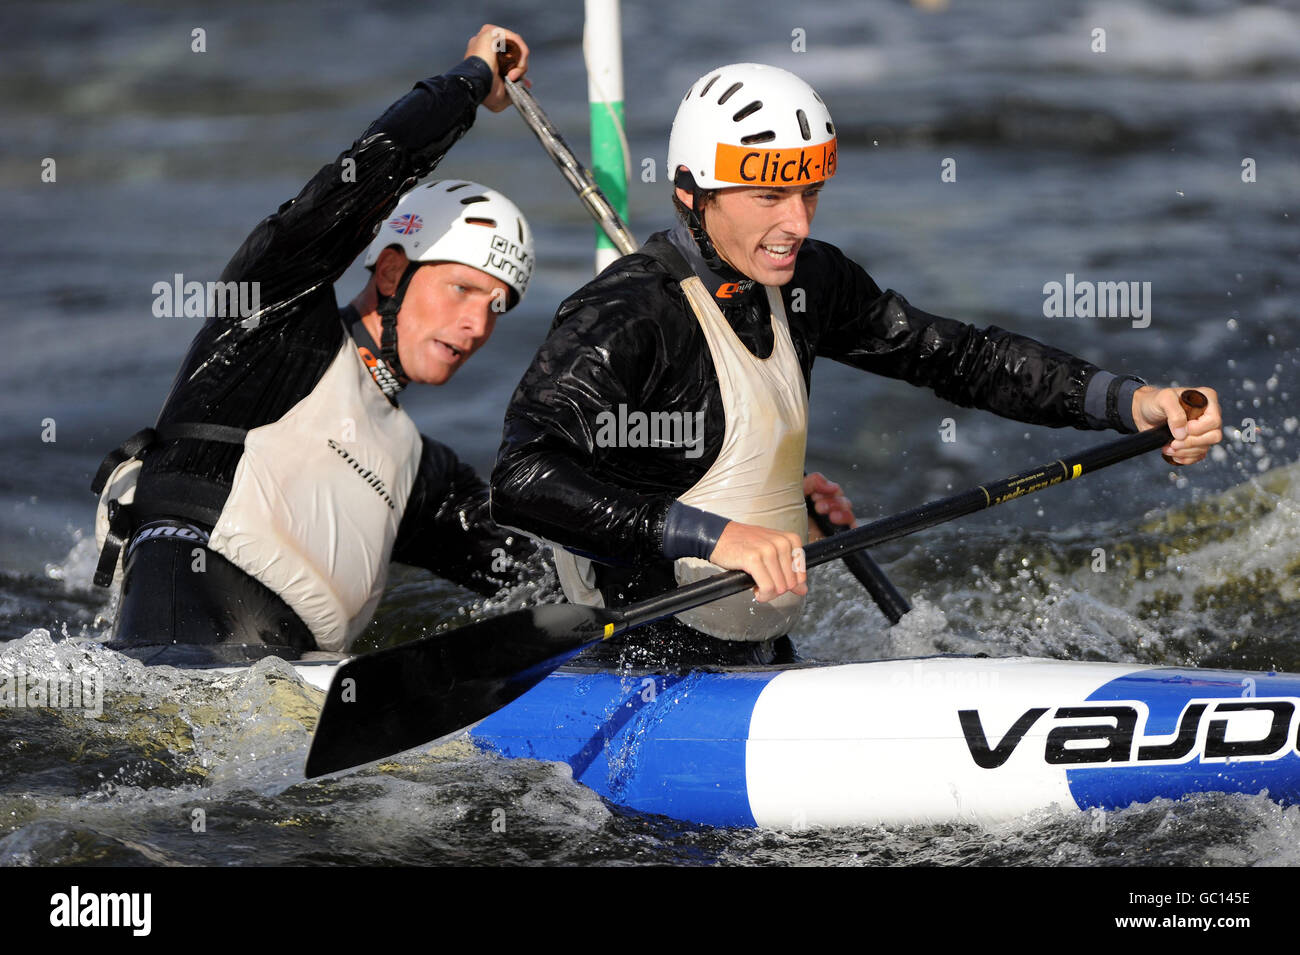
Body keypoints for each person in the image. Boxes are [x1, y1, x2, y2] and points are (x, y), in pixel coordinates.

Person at [490, 62, 1223, 667]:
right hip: (634, 658)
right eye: (770, 195)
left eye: (810, 191)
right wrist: (717, 534)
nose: (798, 224)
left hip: (758, 649)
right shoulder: (628, 313)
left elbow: (960, 358)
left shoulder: (810, 281)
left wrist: (1130, 401)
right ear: (692, 192)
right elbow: (522, 478)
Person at [92, 25, 540, 665]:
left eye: (496, 306)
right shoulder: (271, 316)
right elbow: (359, 177)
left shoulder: (422, 476)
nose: (477, 325)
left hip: (299, 699)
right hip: (177, 662)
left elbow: (532, 573)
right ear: (390, 273)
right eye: (462, 289)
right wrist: (469, 82)